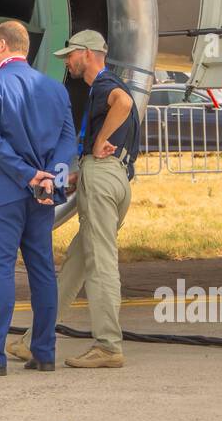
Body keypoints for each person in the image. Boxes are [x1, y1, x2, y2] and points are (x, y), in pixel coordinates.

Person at [0, 21, 76, 376]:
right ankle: (44, 351)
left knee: (2, 271)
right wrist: (50, 175)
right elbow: (69, 142)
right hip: (43, 195)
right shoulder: (55, 90)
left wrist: (26, 174)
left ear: (3, 46)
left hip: (2, 193)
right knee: (42, 271)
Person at [11, 30, 137, 369]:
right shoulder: (103, 88)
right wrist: (77, 176)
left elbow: (123, 104)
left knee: (100, 263)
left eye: (71, 55)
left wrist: (100, 143)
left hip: (103, 177)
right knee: (77, 265)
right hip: (111, 178)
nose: (67, 62)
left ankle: (108, 346)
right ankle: (33, 340)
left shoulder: (104, 86)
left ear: (88, 53)